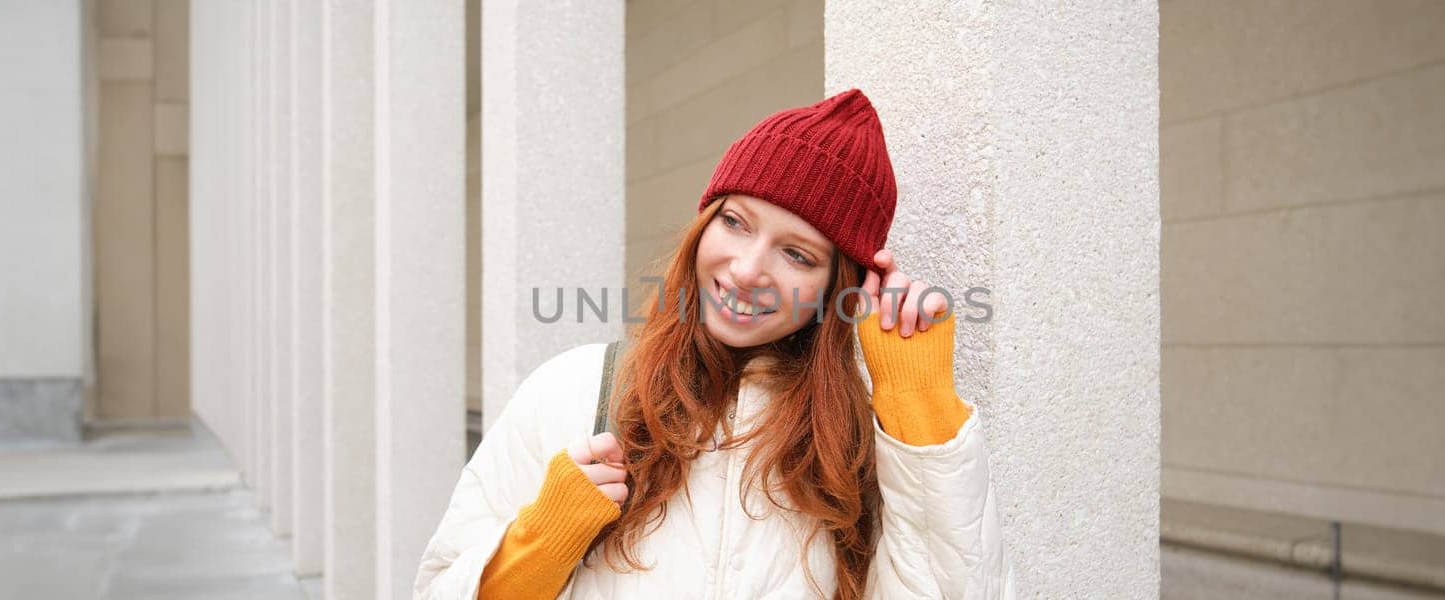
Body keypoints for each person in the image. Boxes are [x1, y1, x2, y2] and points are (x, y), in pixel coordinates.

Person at [413, 88, 1012, 599]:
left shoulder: (856, 443)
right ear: (705, 221)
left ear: (837, 287)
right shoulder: (574, 390)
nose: (749, 269)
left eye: (797, 254)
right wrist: (536, 545)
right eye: (735, 222)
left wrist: (920, 409)